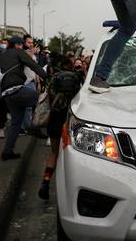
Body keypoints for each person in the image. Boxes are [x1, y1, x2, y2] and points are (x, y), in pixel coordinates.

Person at [38, 56, 82, 200]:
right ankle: (70, 190)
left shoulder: (54, 78)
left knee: (53, 153)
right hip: (71, 120)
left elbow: (48, 99)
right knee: (71, 155)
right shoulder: (76, 78)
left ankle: (45, 182)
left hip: (55, 119)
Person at [0, 37, 47, 161]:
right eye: (20, 45)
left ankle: (7, 152)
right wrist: (47, 77)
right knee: (41, 99)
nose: (22, 47)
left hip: (6, 93)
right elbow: (33, 65)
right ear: (17, 45)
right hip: (17, 88)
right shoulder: (18, 52)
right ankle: (34, 127)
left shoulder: (3, 55)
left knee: (16, 123)